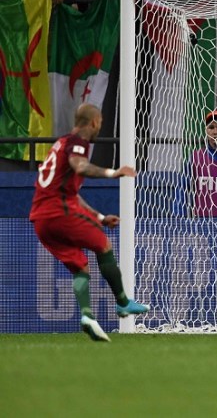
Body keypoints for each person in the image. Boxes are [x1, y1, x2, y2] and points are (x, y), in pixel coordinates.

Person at [29, 104, 150, 342]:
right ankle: (123, 303)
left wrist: (100, 217)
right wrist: (113, 173)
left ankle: (87, 317)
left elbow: (73, 195)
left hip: (40, 221)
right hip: (58, 212)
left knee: (80, 267)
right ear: (94, 122)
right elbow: (81, 166)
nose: (100, 127)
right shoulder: (78, 143)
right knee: (104, 245)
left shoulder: (60, 144)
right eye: (100, 123)